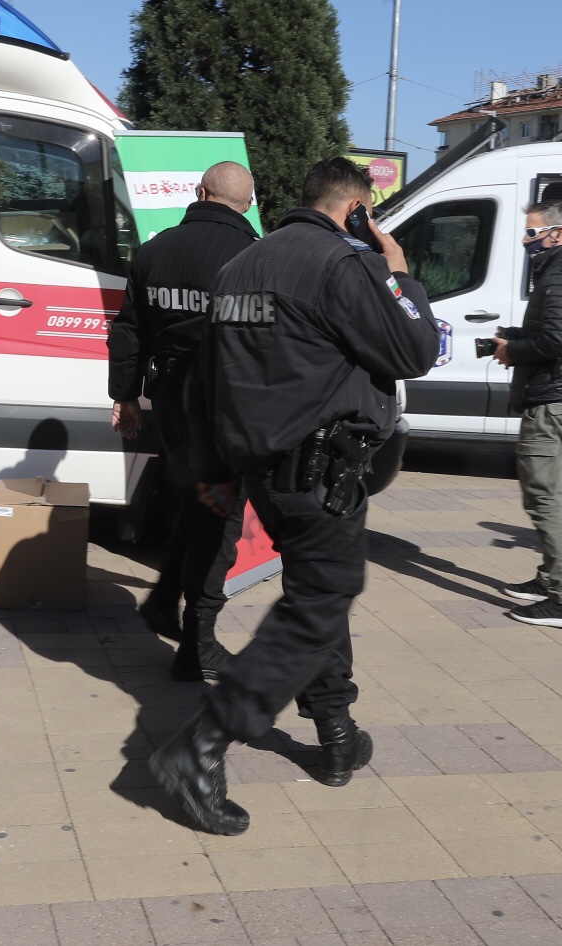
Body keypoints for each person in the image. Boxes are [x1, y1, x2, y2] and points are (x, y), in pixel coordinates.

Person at [149, 158, 439, 836]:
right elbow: (416, 348)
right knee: (319, 600)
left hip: (263, 472)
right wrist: (396, 269)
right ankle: (205, 744)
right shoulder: (342, 265)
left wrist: (218, 473)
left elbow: (210, 382)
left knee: (317, 588)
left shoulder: (241, 268)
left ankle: (336, 730)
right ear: (357, 208)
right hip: (321, 471)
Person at [108, 161, 260, 681]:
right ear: (249, 204)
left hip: (171, 402)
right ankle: (198, 645)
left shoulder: (155, 250)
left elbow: (128, 331)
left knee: (196, 505)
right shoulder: (254, 256)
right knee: (219, 520)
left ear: (199, 193)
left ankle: (161, 604)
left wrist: (125, 397)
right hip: (225, 405)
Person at [489, 200, 562, 629]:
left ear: (558, 234)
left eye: (533, 233)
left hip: (552, 402)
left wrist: (513, 351)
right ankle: (549, 577)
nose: (526, 240)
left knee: (544, 499)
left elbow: (557, 339)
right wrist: (514, 337)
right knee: (555, 494)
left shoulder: (559, 274)